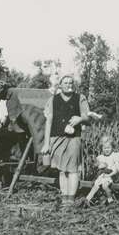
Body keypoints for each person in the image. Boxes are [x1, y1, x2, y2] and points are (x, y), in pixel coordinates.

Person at [41, 74, 91, 207]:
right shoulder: (53, 100)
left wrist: (80, 119)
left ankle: (71, 199)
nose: (69, 85)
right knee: (62, 170)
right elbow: (48, 122)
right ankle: (65, 198)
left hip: (74, 138)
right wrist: (46, 144)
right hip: (56, 138)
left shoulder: (80, 98)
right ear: (60, 85)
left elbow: (88, 117)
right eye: (66, 83)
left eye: (71, 83)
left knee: (73, 169)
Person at [83, 134, 119, 206]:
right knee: (96, 185)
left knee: (104, 186)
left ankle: (110, 200)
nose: (106, 150)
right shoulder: (100, 157)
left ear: (112, 147)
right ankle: (87, 199)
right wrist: (99, 166)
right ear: (101, 148)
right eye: (104, 148)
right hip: (103, 176)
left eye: (108, 148)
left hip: (113, 176)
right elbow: (96, 168)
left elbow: (117, 170)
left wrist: (108, 175)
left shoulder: (115, 155)